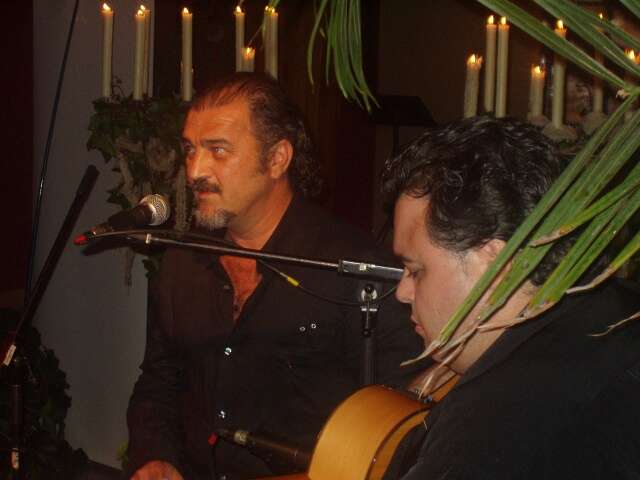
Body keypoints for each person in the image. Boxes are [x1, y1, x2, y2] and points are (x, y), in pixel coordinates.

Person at [125, 73, 423, 480]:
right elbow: (160, 380)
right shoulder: (182, 261)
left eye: (218, 150)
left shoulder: (352, 267)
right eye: (190, 149)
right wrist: (156, 456)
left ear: (277, 158)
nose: (194, 171)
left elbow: (404, 413)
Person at [382, 116, 640, 479]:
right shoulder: (616, 312)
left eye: (415, 270)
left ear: (495, 263)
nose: (402, 292)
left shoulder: (491, 429)